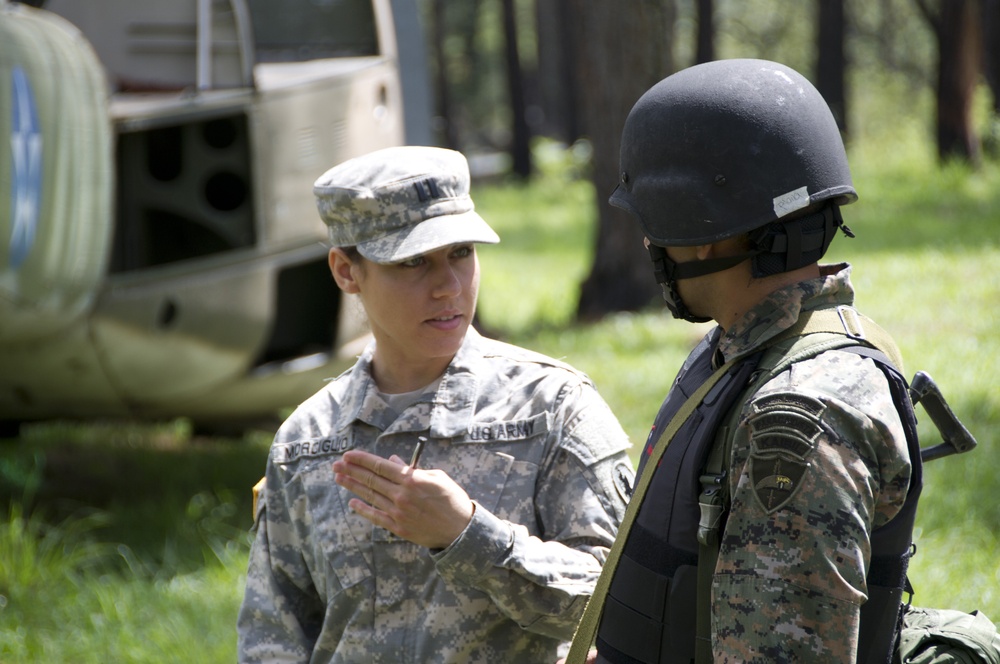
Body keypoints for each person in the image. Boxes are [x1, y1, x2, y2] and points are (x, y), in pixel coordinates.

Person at [564, 59, 922, 663]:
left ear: (701, 230)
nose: (649, 244)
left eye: (653, 223)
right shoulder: (743, 351)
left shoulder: (800, 413)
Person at [237, 145, 635, 663]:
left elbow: (622, 604)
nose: (448, 287)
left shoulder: (553, 408)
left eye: (461, 253)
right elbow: (274, 637)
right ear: (346, 271)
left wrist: (470, 535)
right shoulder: (307, 441)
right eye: (413, 262)